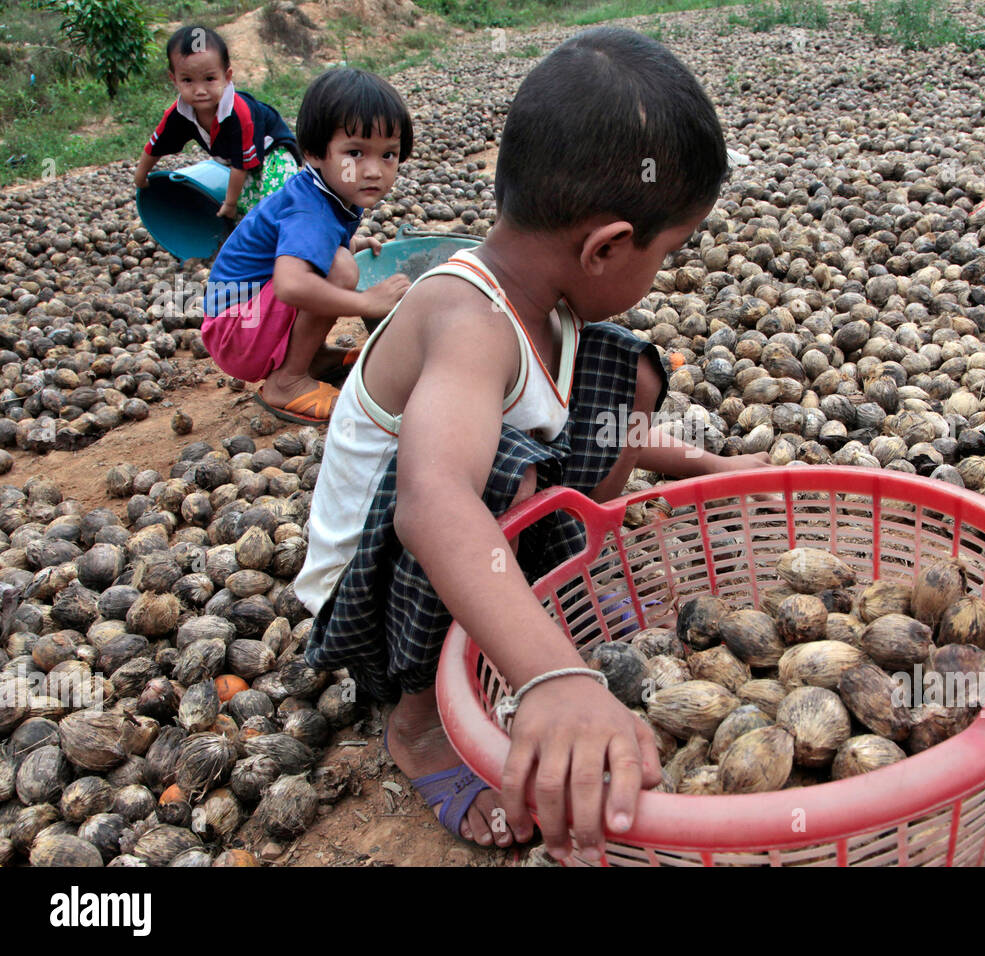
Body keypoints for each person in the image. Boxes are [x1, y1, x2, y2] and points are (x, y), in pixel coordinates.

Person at [295, 27, 771, 862]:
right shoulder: (467, 320)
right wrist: (554, 677)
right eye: (667, 252)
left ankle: (567, 584)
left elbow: (588, 422)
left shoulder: (549, 300)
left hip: (470, 543)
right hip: (371, 602)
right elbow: (434, 501)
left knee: (626, 373)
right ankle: (417, 725)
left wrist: (714, 466)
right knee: (493, 477)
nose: (664, 271)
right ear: (607, 247)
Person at [200, 68, 413, 424]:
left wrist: (353, 240)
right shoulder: (310, 209)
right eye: (356, 153)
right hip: (236, 330)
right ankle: (288, 380)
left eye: (388, 155)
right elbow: (291, 284)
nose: (374, 170)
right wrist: (365, 302)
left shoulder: (334, 189)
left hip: (244, 319)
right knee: (341, 268)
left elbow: (296, 247)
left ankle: (311, 357)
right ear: (314, 152)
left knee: (341, 257)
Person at [134, 25, 302, 219]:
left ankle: (290, 229)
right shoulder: (178, 114)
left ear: (227, 77)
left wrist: (229, 204)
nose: (200, 90)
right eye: (188, 80)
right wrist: (141, 174)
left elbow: (240, 166)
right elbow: (156, 144)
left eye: (209, 79)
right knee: (248, 208)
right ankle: (252, 236)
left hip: (273, 151)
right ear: (174, 80)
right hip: (238, 162)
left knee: (277, 199)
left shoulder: (238, 114)